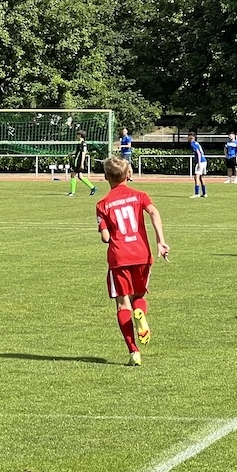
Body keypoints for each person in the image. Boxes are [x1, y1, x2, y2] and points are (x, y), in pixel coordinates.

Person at [95, 155, 169, 366]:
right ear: (129, 174)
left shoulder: (102, 204)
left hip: (119, 257)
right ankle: (140, 312)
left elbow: (105, 237)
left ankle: (134, 351)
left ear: (106, 177)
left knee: (122, 303)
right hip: (141, 254)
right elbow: (153, 212)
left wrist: (105, 230)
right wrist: (160, 241)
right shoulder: (140, 195)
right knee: (139, 296)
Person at [68, 132, 97, 196]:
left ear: (80, 135)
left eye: (77, 135)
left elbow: (84, 153)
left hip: (79, 161)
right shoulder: (80, 143)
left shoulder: (83, 144)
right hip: (77, 160)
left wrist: (82, 163)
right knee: (80, 176)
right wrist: (71, 154)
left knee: (73, 174)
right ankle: (93, 187)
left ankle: (73, 192)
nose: (76, 136)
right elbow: (78, 152)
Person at [188, 130, 208, 198]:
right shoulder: (197, 143)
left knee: (196, 177)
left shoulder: (193, 144)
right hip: (204, 160)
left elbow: (198, 153)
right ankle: (204, 193)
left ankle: (197, 193)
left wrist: (199, 163)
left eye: (189, 136)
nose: (188, 137)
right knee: (201, 177)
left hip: (201, 161)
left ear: (192, 137)